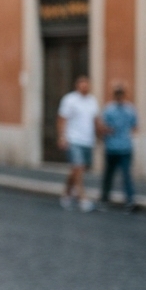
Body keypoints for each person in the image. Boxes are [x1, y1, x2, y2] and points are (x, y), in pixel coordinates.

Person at [57, 75, 99, 212]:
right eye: (82, 84)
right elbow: (62, 119)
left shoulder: (92, 101)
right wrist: (62, 137)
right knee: (78, 167)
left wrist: (101, 133)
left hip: (88, 140)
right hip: (74, 139)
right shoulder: (70, 100)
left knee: (76, 170)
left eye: (86, 84)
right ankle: (82, 198)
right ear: (77, 86)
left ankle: (66, 193)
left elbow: (95, 120)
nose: (84, 86)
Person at [99, 82, 138, 212]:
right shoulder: (129, 109)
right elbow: (135, 127)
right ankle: (125, 199)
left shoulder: (110, 109)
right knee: (115, 174)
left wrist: (109, 131)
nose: (119, 96)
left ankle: (124, 199)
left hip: (119, 146)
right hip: (118, 146)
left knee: (119, 174)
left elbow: (104, 127)